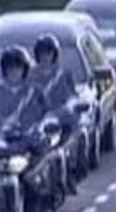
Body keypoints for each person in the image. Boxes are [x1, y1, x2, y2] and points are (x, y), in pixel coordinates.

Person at [27, 34, 81, 195]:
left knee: (66, 147)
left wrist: (69, 112)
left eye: (49, 53)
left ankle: (68, 177)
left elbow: (72, 97)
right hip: (38, 121)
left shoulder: (64, 74)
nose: (46, 57)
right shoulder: (30, 75)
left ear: (55, 55)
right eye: (43, 54)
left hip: (60, 121)